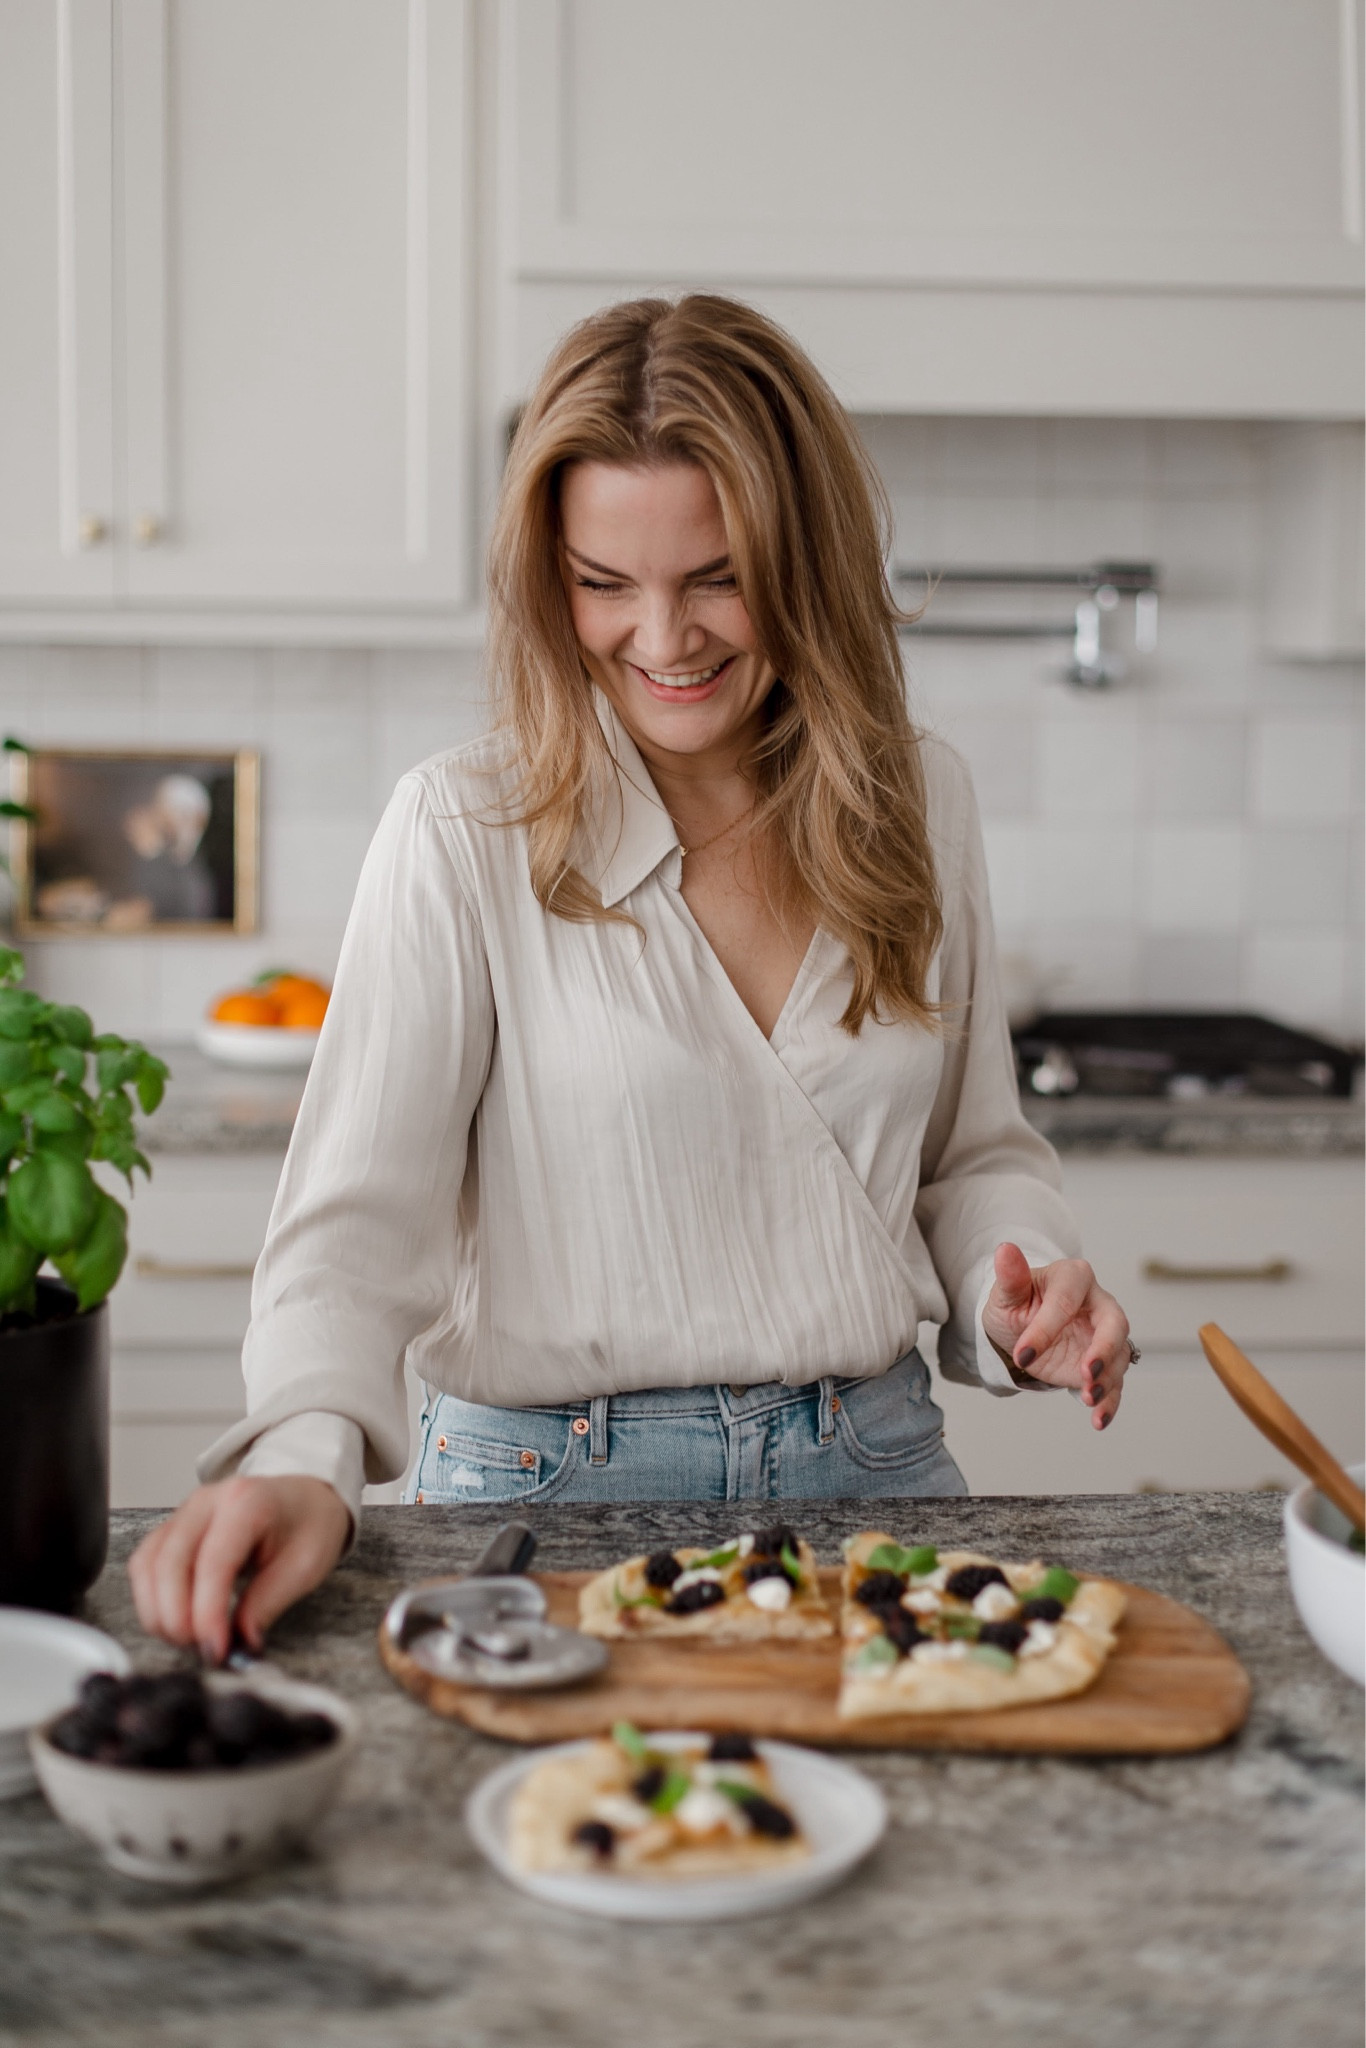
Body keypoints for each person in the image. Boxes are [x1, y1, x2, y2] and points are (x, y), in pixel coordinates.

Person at [130, 295, 1134, 1664]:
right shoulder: (459, 827)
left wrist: (1022, 1287)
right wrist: (301, 1457)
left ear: (809, 560)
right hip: (545, 1501)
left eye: (717, 576)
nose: (662, 639)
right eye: (603, 584)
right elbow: (350, 1238)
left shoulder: (918, 799)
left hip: (877, 1472)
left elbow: (969, 1157)